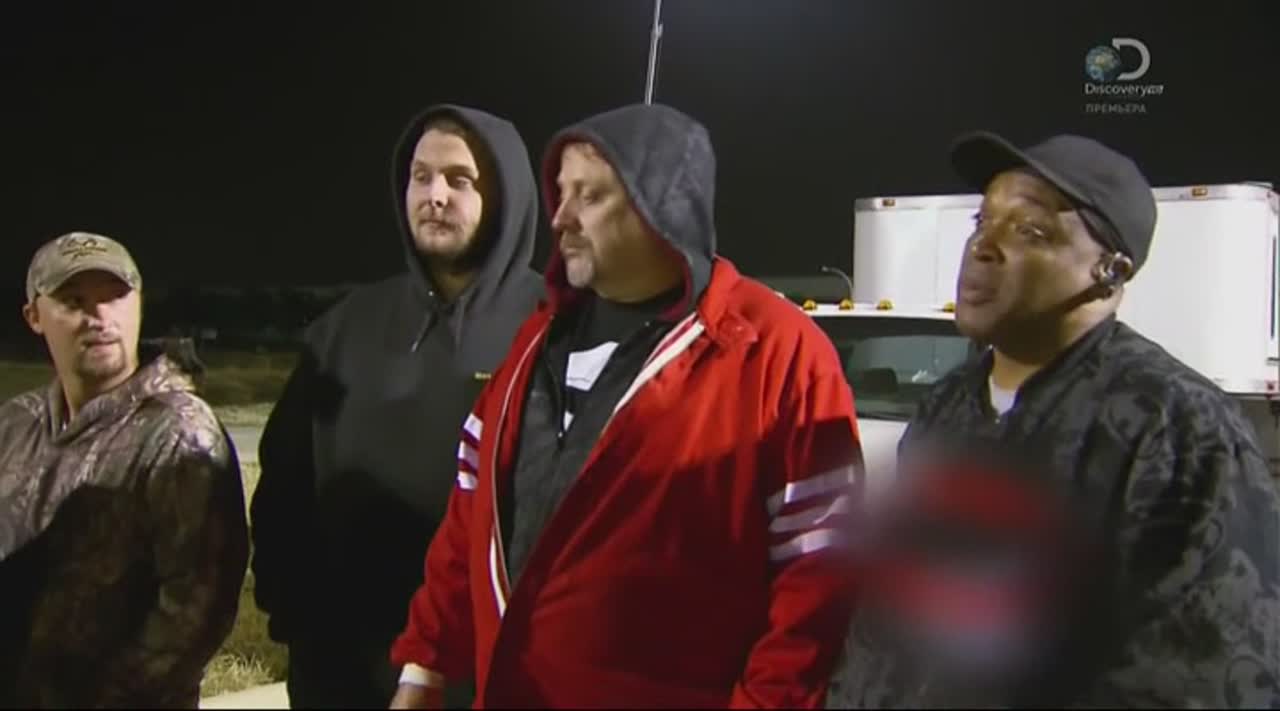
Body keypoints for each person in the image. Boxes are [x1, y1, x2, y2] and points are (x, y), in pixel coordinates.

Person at [388, 103, 861, 709]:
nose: (560, 217)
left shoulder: (775, 353)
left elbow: (818, 580)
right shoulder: (534, 343)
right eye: (561, 192)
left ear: (662, 205)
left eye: (589, 195)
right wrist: (424, 666)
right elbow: (467, 518)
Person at [826, 131, 1280, 708]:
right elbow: (888, 621)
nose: (984, 246)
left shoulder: (1177, 427)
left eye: (1031, 230)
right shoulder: (947, 408)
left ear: (1110, 270)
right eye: (982, 221)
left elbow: (1210, 670)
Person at [249, 105, 542, 708]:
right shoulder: (344, 328)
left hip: (488, 677)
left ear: (505, 194)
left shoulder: (556, 328)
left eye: (459, 179)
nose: (435, 196)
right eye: (421, 177)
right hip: (341, 673)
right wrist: (294, 617)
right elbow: (284, 485)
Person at [0, 231, 249, 708]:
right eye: (74, 301)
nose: (99, 317)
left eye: (115, 296)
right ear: (34, 316)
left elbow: (196, 611)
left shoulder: (178, 433)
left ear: (139, 303)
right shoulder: (15, 423)